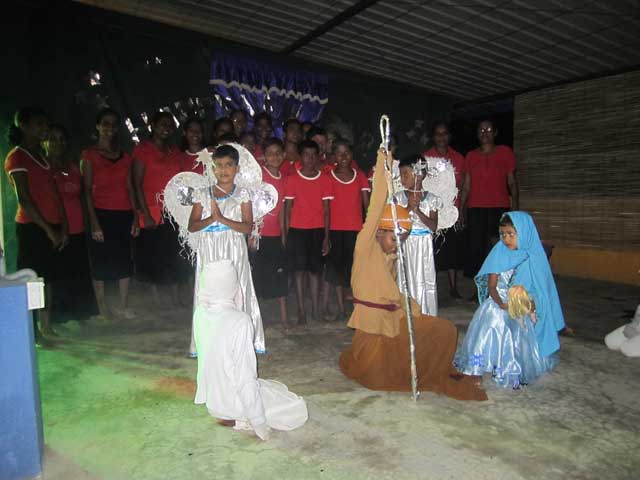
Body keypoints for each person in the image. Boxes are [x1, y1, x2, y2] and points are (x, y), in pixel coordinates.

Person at [339, 148, 486, 401]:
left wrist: (414, 310)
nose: (398, 243)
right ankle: (425, 371)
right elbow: (376, 205)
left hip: (393, 322)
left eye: (402, 238)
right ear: (380, 231)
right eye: (394, 237)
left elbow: (397, 299)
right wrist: (383, 161)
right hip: (374, 333)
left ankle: (441, 371)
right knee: (381, 375)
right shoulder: (365, 246)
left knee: (445, 330)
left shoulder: (392, 257)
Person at [193, 260, 308, 440]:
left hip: (213, 402)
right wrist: (259, 422)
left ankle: (237, 414)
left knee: (273, 389)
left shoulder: (200, 313)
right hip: (234, 404)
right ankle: (242, 418)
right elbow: (245, 376)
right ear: (232, 286)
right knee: (295, 407)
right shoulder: (239, 321)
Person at [454, 212, 564, 388]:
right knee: (494, 322)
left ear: (524, 233)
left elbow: (541, 289)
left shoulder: (533, 256)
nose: (506, 239)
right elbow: (492, 287)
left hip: (520, 305)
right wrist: (500, 303)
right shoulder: (499, 253)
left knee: (518, 331)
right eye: (503, 234)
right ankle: (476, 368)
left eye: (511, 234)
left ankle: (510, 367)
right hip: (498, 302)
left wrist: (529, 303)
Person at [187, 144, 265, 354]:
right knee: (210, 291)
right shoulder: (203, 194)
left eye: (228, 165)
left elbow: (247, 227)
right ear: (213, 169)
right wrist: (211, 219)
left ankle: (239, 340)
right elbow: (192, 225)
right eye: (219, 165)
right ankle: (210, 341)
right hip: (210, 249)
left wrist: (222, 219)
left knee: (237, 289)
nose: (224, 170)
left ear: (237, 168)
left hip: (233, 248)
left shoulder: (242, 194)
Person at [4, 107, 67, 340]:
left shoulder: (41, 156)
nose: (45, 128)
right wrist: (48, 230)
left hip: (51, 225)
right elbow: (24, 199)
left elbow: (54, 194)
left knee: (47, 279)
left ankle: (46, 326)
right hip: (33, 227)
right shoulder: (17, 157)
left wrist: (63, 227)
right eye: (39, 124)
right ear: (23, 125)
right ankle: (33, 332)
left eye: (46, 124)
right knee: (33, 281)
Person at [82, 108, 138, 320]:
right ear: (97, 126)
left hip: (123, 213)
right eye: (105, 123)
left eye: (114, 124)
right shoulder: (89, 155)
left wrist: (135, 217)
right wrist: (94, 223)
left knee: (124, 259)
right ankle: (102, 308)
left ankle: (122, 306)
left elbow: (130, 188)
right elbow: (87, 190)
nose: (110, 127)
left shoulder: (125, 157)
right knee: (101, 261)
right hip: (101, 214)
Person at [133, 111, 189, 305]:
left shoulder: (176, 152)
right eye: (162, 124)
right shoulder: (143, 150)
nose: (166, 128)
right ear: (153, 126)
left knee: (174, 252)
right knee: (152, 253)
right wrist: (145, 214)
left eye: (169, 125)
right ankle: (155, 299)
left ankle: (175, 297)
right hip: (151, 209)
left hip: (173, 210)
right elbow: (137, 183)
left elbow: (183, 181)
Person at [46, 124, 98, 323]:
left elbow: (83, 194)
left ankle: (81, 313)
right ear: (44, 141)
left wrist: (89, 221)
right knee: (60, 274)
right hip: (57, 227)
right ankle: (60, 317)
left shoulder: (72, 166)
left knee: (79, 272)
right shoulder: (44, 167)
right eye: (53, 138)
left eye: (61, 139)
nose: (58, 143)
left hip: (78, 227)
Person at [460, 119, 519, 282]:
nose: (485, 133)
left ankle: (499, 284)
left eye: (488, 130)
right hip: (476, 208)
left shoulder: (505, 152)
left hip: (499, 207)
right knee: (476, 249)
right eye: (481, 130)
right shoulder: (471, 156)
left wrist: (515, 209)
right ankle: (480, 286)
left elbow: (512, 182)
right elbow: (466, 186)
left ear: (495, 133)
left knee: (498, 247)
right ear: (477, 134)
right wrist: (461, 210)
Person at [284, 140, 332, 324]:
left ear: (318, 156)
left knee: (315, 272)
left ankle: (315, 310)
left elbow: (327, 210)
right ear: (300, 157)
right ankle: (301, 310)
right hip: (297, 231)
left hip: (317, 230)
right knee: (299, 271)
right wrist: (287, 234)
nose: (310, 159)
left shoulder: (325, 179)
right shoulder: (292, 179)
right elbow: (288, 210)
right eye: (306, 155)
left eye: (313, 155)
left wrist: (326, 236)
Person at [322, 140, 370, 321]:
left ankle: (358, 309)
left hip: (355, 230)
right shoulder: (328, 177)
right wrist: (326, 235)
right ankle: (341, 309)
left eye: (347, 153)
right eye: (339, 153)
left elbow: (367, 205)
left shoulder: (360, 176)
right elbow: (326, 208)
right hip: (335, 230)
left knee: (355, 270)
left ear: (352, 154)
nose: (343, 156)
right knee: (336, 271)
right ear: (334, 156)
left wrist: (369, 229)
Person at [250, 138, 290, 331]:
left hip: (275, 235)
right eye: (270, 153)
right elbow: (251, 206)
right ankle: (257, 321)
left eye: (278, 153)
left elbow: (281, 210)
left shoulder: (282, 179)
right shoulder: (259, 177)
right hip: (258, 235)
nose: (274, 156)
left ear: (284, 155)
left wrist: (283, 235)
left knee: (279, 275)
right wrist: (252, 233)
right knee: (258, 276)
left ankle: (284, 319)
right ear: (264, 156)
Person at [424, 122, 466, 299]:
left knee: (452, 249)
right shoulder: (425, 158)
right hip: (432, 211)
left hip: (451, 212)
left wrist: (461, 211)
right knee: (431, 250)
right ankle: (430, 288)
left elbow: (462, 186)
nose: (441, 137)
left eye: (444, 133)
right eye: (437, 134)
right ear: (433, 137)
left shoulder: (458, 158)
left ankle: (453, 287)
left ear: (449, 136)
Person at [395, 154, 439, 316]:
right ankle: (405, 316)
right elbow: (396, 223)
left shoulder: (431, 199)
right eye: (401, 175)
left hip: (423, 246)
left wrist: (418, 211)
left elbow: (433, 226)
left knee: (424, 280)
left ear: (418, 175)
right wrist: (408, 209)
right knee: (405, 279)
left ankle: (426, 314)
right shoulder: (398, 198)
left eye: (405, 175)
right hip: (406, 243)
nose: (402, 179)